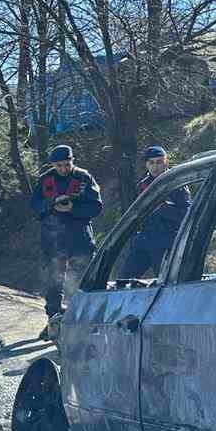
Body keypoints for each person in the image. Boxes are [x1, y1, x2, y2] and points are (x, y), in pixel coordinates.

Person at [29, 144, 102, 339]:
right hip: (53, 239)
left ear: (72, 160)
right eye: (59, 165)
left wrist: (72, 209)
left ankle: (82, 323)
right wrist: (52, 203)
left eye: (67, 164)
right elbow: (35, 205)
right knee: (53, 283)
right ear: (53, 164)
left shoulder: (84, 178)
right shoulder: (45, 179)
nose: (63, 168)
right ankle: (53, 322)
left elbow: (96, 207)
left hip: (80, 238)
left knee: (83, 282)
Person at [117, 144, 192, 280]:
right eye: (151, 163)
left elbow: (188, 215)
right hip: (143, 242)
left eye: (159, 162)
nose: (155, 167)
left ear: (166, 162)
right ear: (146, 164)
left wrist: (164, 208)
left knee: (166, 283)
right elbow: (136, 214)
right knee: (122, 281)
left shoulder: (177, 184)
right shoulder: (143, 185)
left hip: (165, 243)